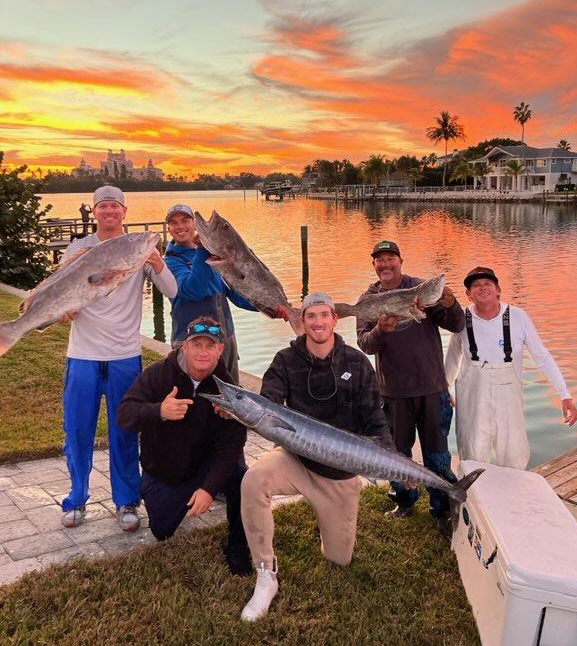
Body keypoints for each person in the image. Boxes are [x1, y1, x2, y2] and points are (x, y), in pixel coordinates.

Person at [238, 291, 393, 622]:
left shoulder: (356, 362)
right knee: (253, 480)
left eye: (324, 315)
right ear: (302, 321)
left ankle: (329, 524)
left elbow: (375, 417)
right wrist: (247, 411)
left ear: (334, 320)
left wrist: (391, 458)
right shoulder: (285, 360)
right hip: (297, 462)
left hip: (339, 477)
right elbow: (269, 401)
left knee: (340, 558)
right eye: (311, 316)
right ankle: (265, 574)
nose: (318, 322)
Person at [58, 185, 177, 531]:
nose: (109, 211)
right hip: (82, 353)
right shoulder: (79, 249)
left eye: (115, 206)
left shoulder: (139, 247)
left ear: (124, 211)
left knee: (125, 430)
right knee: (78, 430)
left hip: (125, 354)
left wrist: (159, 264)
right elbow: (62, 288)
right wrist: (65, 309)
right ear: (95, 211)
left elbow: (174, 292)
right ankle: (76, 499)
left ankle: (126, 501)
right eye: (103, 206)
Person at [117, 316, 251, 575]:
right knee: (162, 530)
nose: (203, 352)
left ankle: (238, 546)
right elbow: (125, 415)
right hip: (167, 468)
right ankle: (176, 496)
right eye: (196, 344)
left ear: (220, 350)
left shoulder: (228, 389)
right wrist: (159, 411)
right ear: (184, 346)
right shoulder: (158, 375)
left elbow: (232, 444)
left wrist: (209, 489)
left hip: (207, 462)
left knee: (244, 478)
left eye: (210, 345)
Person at [356, 240, 465, 533]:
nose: (385, 264)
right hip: (392, 394)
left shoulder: (422, 289)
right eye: (380, 260)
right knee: (396, 454)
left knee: (437, 453)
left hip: (432, 389)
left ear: (400, 261)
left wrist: (450, 302)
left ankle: (441, 508)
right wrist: (381, 330)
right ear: (374, 265)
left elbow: (456, 325)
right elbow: (365, 344)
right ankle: (404, 499)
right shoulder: (368, 300)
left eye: (390, 258)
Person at [445, 266, 577, 469]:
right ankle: (472, 499)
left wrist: (564, 394)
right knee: (472, 454)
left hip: (508, 395)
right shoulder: (461, 319)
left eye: (488, 283)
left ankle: (513, 497)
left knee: (513, 454)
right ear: (468, 295)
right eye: (476, 285)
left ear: (498, 289)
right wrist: (444, 389)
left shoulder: (518, 317)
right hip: (472, 396)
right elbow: (453, 357)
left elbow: (542, 356)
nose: (482, 288)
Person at [164, 203, 287, 384]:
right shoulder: (170, 262)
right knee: (195, 400)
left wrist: (272, 307)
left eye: (185, 220)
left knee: (229, 398)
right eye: (174, 223)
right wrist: (203, 250)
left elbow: (236, 294)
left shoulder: (213, 255)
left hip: (224, 340)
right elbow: (194, 290)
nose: (180, 226)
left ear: (194, 224)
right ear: (169, 229)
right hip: (191, 343)